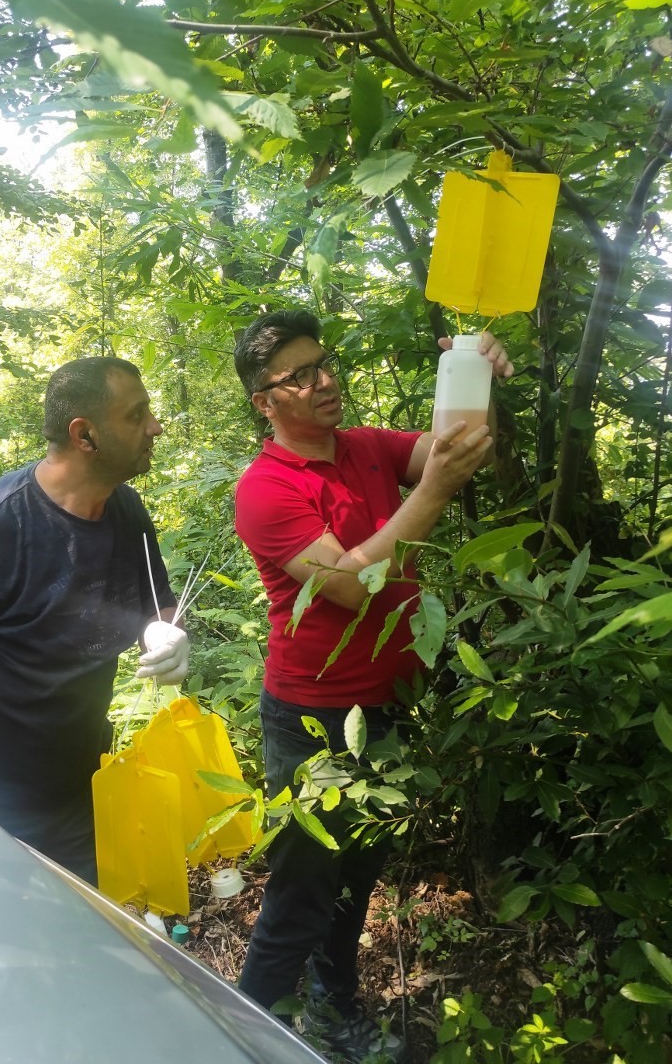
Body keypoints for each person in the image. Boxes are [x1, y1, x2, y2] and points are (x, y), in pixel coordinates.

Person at [232, 310, 513, 1064]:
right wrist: (434, 496)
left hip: (382, 709)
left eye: (325, 364)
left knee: (355, 881)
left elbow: (457, 452)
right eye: (301, 375)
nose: (325, 382)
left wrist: (474, 375)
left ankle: (334, 1011)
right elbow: (356, 587)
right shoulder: (265, 489)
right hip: (311, 724)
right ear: (265, 399)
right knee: (298, 897)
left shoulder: (367, 448)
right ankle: (236, 1036)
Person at [0, 357, 189, 885]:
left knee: (82, 946)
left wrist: (165, 633)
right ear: (85, 434)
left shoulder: (127, 513)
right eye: (136, 414)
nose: (155, 427)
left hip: (84, 790)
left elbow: (157, 606)